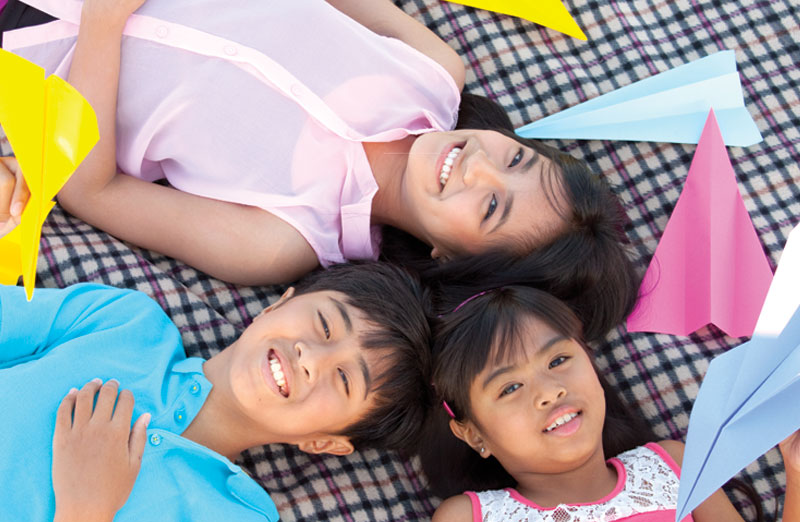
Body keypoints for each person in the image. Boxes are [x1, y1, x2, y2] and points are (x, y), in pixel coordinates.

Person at [0, 0, 637, 337]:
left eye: (492, 206)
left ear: (451, 258)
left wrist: (107, 21)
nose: (481, 166)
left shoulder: (283, 240)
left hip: (28, 53)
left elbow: (92, 188)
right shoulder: (433, 70)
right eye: (518, 158)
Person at [0, 261, 433, 522]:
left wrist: (86, 514)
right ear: (278, 303)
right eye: (324, 324)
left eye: (344, 380)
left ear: (323, 442)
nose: (310, 356)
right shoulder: (125, 322)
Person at [416, 286, 800, 522]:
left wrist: (796, 473)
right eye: (510, 387)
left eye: (558, 361)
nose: (549, 393)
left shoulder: (671, 467)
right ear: (473, 434)